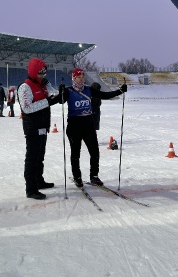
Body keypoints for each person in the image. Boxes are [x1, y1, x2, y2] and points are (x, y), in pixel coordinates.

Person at [59, 68, 127, 188]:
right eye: (79, 77)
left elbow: (105, 95)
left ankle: (94, 176)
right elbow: (60, 101)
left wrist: (120, 91)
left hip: (88, 126)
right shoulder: (69, 91)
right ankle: (77, 177)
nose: (81, 79)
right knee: (75, 154)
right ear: (74, 78)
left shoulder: (88, 90)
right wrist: (61, 92)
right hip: (74, 127)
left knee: (95, 152)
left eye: (82, 77)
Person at [17, 58, 60, 200]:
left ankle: (39, 181)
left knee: (40, 157)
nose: (42, 76)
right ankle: (31, 188)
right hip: (32, 128)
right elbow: (27, 108)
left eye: (44, 74)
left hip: (43, 127)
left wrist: (57, 98)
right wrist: (49, 101)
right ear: (33, 72)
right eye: (40, 74)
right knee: (32, 158)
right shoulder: (25, 87)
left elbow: (45, 102)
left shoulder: (42, 85)